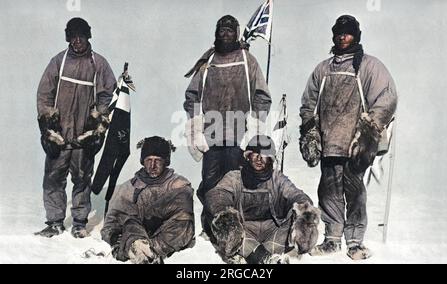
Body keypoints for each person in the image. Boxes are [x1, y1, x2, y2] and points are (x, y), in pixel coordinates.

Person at [299, 15, 397, 260]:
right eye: (339, 33)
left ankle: (355, 243)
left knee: (354, 194)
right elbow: (308, 104)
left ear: (356, 36)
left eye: (348, 33)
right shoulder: (323, 69)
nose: (343, 37)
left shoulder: (369, 66)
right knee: (328, 193)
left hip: (356, 147)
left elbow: (387, 97)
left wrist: (368, 131)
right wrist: (310, 131)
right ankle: (332, 240)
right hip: (329, 143)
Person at [183, 15, 272, 240]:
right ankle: (210, 227)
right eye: (221, 30)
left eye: (230, 30)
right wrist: (195, 127)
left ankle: (237, 227)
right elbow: (192, 95)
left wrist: (255, 127)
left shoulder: (246, 60)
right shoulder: (208, 61)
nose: (225, 34)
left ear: (237, 33)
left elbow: (261, 95)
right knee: (211, 182)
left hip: (238, 135)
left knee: (236, 181)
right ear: (216, 33)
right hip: (211, 135)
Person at [35, 17, 116, 238]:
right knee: (53, 178)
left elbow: (108, 93)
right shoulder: (58, 62)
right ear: (68, 38)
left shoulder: (98, 64)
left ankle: (79, 222)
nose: (77, 41)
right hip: (59, 134)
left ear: (88, 36)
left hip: (83, 135)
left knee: (82, 178)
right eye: (73, 36)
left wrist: (97, 122)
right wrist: (48, 126)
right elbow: (44, 94)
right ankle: (54, 222)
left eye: (81, 36)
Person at [204, 135, 320, 264]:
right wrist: (224, 213)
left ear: (270, 158)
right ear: (248, 156)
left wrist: (305, 213)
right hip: (244, 232)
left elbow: (296, 195)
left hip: (273, 232)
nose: (259, 158)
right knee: (218, 217)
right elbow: (217, 194)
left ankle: (258, 256)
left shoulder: (277, 178)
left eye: (264, 155)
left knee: (300, 215)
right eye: (255, 154)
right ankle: (262, 257)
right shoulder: (235, 177)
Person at [101, 136, 195, 264]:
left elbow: (183, 220)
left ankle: (148, 252)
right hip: (138, 235)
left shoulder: (178, 184)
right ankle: (142, 252)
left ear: (166, 161)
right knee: (129, 223)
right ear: (142, 161)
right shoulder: (129, 187)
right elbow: (112, 222)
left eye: (158, 160)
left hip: (167, 236)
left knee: (183, 219)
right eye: (148, 160)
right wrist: (115, 238)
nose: (153, 165)